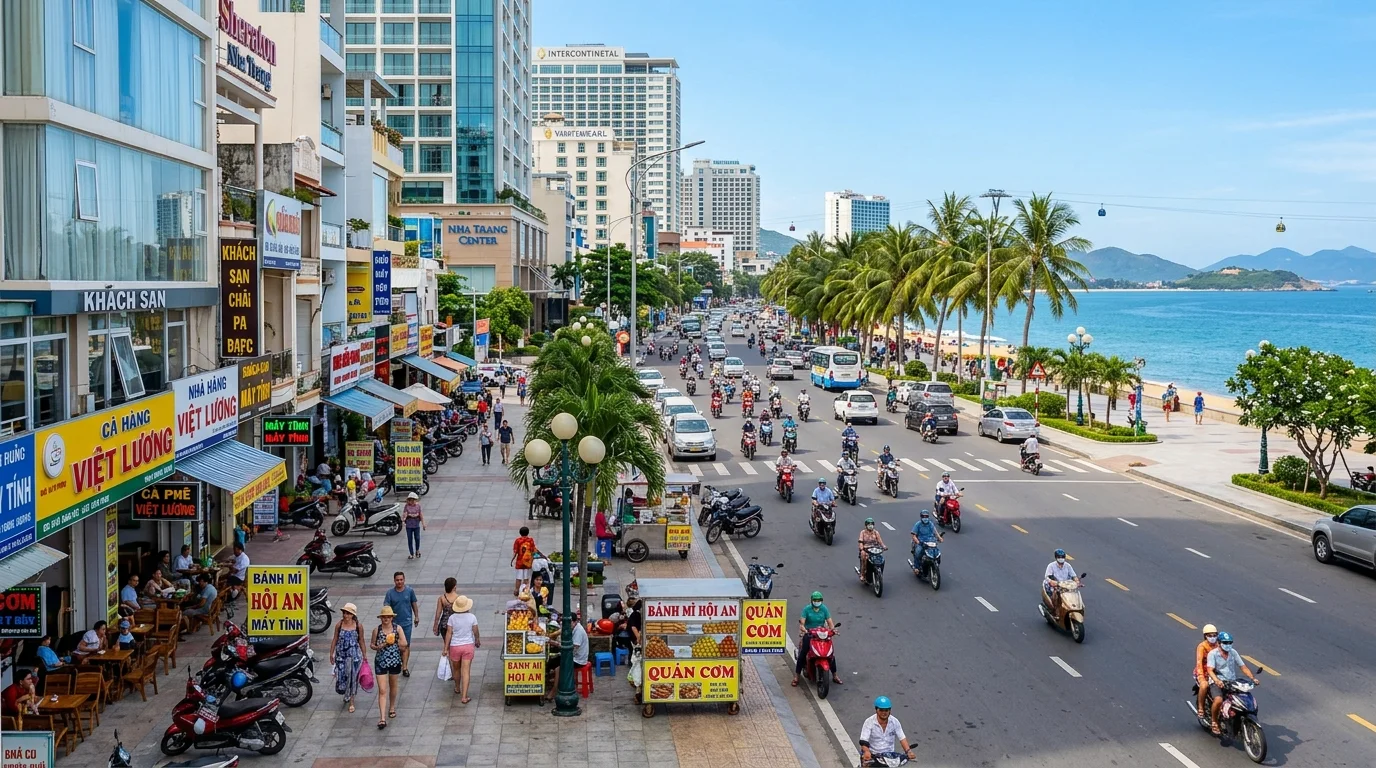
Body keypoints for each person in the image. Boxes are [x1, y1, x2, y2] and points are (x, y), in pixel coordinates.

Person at [1206, 631, 1257, 735]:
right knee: (1219, 700)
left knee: (1244, 699)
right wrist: (1217, 681)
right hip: (1217, 681)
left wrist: (1252, 678)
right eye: (1225, 642)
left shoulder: (1233, 652)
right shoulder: (1213, 654)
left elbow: (1243, 667)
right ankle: (1214, 721)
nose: (1228, 645)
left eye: (1230, 642)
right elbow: (1210, 670)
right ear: (1219, 643)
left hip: (1232, 681)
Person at [792, 591, 840, 687]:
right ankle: (797, 676)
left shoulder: (824, 609)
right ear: (811, 600)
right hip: (810, 633)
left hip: (821, 633)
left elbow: (830, 622)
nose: (817, 602)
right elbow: (802, 622)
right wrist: (803, 628)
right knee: (803, 653)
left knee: (830, 655)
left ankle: (835, 675)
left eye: (819, 600)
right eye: (815, 600)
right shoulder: (807, 609)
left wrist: (833, 630)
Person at [371, 606, 409, 728]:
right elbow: (372, 644)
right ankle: (382, 718)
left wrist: (397, 642)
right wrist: (379, 646)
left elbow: (404, 644)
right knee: (382, 689)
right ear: (381, 618)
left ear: (392, 618)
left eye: (388, 617)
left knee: (393, 686)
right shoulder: (376, 630)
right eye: (384, 617)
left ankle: (392, 706)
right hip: (380, 661)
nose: (386, 619)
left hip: (394, 661)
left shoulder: (398, 629)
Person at [545, 612, 590, 702]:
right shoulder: (572, 628)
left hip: (578, 659)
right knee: (551, 662)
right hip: (570, 656)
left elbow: (571, 648)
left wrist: (556, 644)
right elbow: (560, 632)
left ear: (575, 622)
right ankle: (554, 682)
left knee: (559, 669)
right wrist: (550, 636)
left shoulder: (578, 631)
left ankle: (553, 691)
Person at [859, 696, 916, 765]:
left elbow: (902, 738)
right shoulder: (869, 722)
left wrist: (908, 751)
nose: (884, 713)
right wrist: (867, 752)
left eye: (886, 710)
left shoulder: (895, 722)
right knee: (866, 764)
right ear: (876, 710)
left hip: (889, 757)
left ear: (889, 710)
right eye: (881, 710)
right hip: (872, 754)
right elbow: (864, 741)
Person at [444, 595, 480, 703]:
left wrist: (445, 648)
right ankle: (464, 697)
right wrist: (477, 639)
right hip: (468, 646)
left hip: (455, 646)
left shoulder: (452, 618)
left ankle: (457, 687)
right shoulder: (472, 617)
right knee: (466, 671)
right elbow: (475, 631)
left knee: (456, 669)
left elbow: (449, 633)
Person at [383, 571, 419, 677]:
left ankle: (405, 667)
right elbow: (386, 607)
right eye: (397, 580)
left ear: (404, 579)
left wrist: (416, 616)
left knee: (406, 645)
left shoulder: (410, 591)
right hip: (394, 624)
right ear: (394, 581)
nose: (399, 582)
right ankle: (396, 662)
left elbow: (414, 604)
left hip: (407, 622)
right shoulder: (390, 593)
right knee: (394, 644)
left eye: (401, 580)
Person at [330, 603, 365, 713]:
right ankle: (346, 694)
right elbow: (335, 639)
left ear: (353, 615)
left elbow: (361, 641)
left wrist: (364, 656)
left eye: (348, 613)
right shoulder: (339, 625)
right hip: (341, 656)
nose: (346, 615)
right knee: (342, 677)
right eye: (345, 613)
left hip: (354, 657)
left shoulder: (358, 626)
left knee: (352, 678)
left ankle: (352, 701)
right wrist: (331, 653)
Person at [1043, 549, 1081, 619]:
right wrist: (1052, 582)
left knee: (1074, 594)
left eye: (1062, 557)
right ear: (1056, 557)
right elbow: (1047, 577)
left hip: (1066, 586)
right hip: (1056, 585)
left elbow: (1074, 576)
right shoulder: (1051, 566)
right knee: (1056, 594)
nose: (1061, 559)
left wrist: (1077, 582)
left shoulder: (1068, 566)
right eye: (1059, 557)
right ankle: (1055, 611)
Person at [1194, 624, 1221, 719]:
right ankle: (1201, 707)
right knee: (1204, 685)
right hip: (1203, 672)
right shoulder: (1202, 647)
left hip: (1216, 672)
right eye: (1210, 635)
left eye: (1214, 635)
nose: (1212, 638)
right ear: (1205, 636)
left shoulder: (1219, 645)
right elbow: (1199, 663)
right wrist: (1201, 677)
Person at [857, 517, 886, 583]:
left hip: (875, 549)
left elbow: (880, 541)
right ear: (866, 525)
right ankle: (863, 574)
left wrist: (883, 546)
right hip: (866, 549)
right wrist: (861, 547)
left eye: (871, 524)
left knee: (881, 559)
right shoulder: (863, 532)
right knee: (864, 556)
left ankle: (879, 573)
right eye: (869, 524)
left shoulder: (876, 532)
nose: (870, 526)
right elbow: (860, 541)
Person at [512, 527, 536, 595]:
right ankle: (525, 590)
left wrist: (512, 559)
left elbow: (515, 551)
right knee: (526, 578)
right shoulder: (530, 540)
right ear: (528, 532)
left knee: (518, 577)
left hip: (519, 562)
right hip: (528, 562)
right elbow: (533, 550)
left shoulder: (518, 540)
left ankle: (516, 590)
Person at [402, 492, 425, 559]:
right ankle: (411, 553)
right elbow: (404, 515)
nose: (412, 501)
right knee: (410, 539)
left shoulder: (418, 506)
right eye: (411, 500)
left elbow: (421, 515)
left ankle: (417, 550)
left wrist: (423, 524)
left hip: (416, 525)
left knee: (417, 538)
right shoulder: (406, 506)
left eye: (413, 500)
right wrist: (406, 516)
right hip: (409, 526)